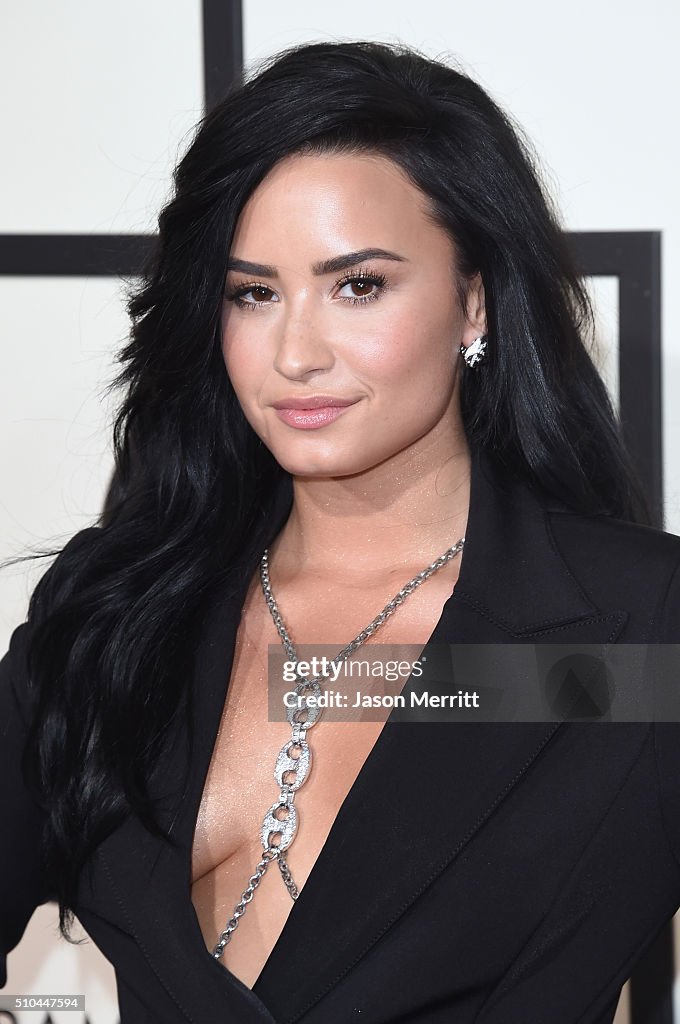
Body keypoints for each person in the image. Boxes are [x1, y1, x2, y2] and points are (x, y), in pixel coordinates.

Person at [2, 38, 680, 1024]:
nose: (294, 352)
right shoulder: (120, 606)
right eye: (253, 292)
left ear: (473, 300)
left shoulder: (638, 633)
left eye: (357, 285)